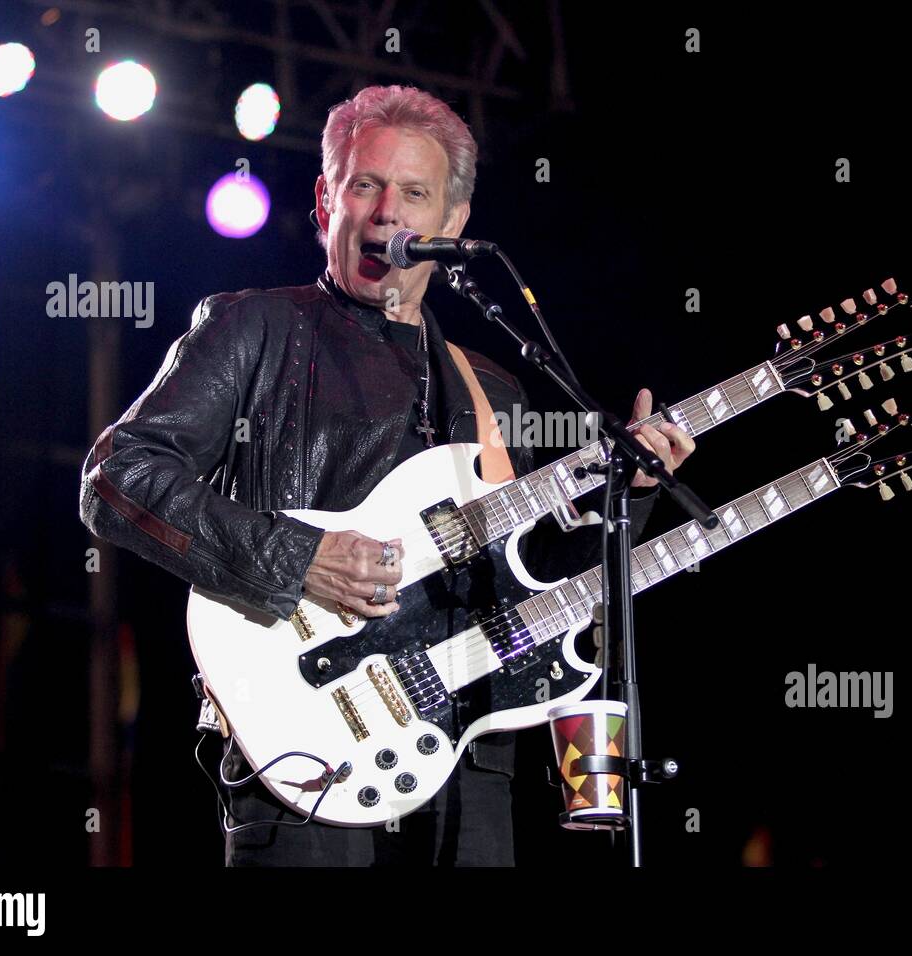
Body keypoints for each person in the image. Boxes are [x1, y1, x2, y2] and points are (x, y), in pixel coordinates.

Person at [79, 84, 695, 866]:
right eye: (366, 184)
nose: (387, 214)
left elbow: (536, 583)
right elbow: (118, 477)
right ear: (325, 197)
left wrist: (631, 496)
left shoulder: (494, 387)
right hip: (310, 745)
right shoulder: (255, 327)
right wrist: (299, 557)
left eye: (415, 193)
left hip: (469, 751)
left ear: (453, 223)